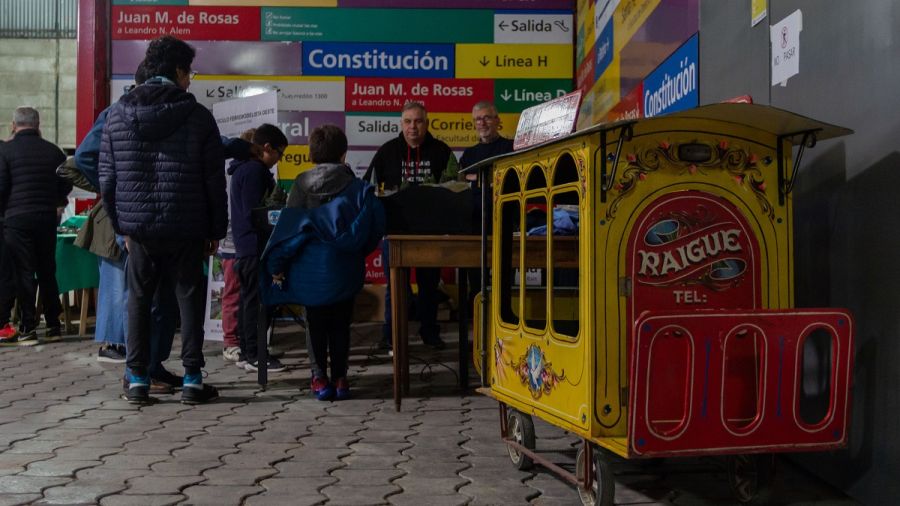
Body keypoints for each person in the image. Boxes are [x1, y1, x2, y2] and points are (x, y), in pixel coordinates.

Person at [99, 36, 227, 405]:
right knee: (188, 299)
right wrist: (216, 228)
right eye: (189, 73)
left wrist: (121, 223)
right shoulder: (198, 115)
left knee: (138, 300)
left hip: (139, 229)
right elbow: (213, 178)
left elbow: (107, 177)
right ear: (177, 71)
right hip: (187, 225)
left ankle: (137, 380)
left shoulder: (117, 114)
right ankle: (192, 380)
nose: (191, 81)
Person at [266, 124, 384, 400]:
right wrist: (355, 252)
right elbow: (373, 229)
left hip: (308, 269)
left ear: (311, 154)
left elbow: (289, 229)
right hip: (345, 266)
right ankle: (341, 379)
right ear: (344, 155)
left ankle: (319, 380)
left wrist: (279, 266)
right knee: (342, 323)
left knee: (315, 323)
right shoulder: (359, 189)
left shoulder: (300, 184)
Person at [363, 102, 458, 352]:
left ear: (427, 123)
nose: (412, 127)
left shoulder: (441, 151)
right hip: (395, 233)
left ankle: (429, 333)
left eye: (418, 121)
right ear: (401, 124)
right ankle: (391, 335)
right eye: (408, 121)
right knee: (395, 288)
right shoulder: (387, 152)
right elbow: (369, 186)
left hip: (430, 234)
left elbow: (456, 188)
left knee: (429, 286)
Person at [0, 107, 70, 345]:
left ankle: (28, 326)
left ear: (13, 125)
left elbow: (1, 186)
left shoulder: (5, 151)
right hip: (46, 217)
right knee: (47, 269)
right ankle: (53, 324)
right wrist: (56, 201)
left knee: (24, 271)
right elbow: (66, 182)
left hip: (16, 219)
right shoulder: (54, 152)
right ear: (38, 125)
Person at [228, 124, 288, 373]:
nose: (278, 160)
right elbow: (257, 213)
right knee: (256, 302)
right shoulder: (254, 171)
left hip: (246, 246)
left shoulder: (244, 170)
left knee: (248, 300)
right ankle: (255, 354)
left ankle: (247, 351)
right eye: (279, 153)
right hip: (254, 247)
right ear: (266, 148)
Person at [459, 100, 514, 308]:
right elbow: (462, 184)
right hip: (474, 224)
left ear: (497, 120)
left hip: (505, 222)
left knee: (503, 275)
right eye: (477, 119)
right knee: (475, 277)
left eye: (487, 117)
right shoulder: (469, 154)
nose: (482, 123)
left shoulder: (511, 148)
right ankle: (476, 313)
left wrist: (478, 180)